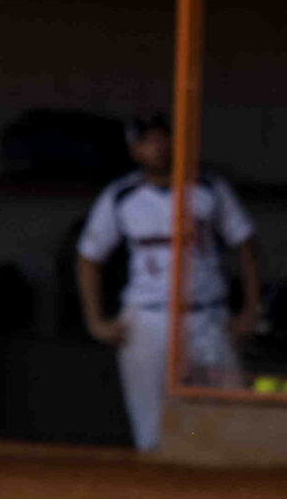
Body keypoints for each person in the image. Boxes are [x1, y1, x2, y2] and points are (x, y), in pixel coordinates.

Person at [74, 114, 262, 452]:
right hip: (148, 317)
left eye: (164, 138)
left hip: (207, 314)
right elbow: (88, 258)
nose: (158, 147)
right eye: (148, 141)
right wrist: (95, 320)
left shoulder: (209, 188)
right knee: (150, 423)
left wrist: (250, 308)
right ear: (134, 150)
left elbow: (245, 246)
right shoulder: (121, 195)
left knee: (231, 413)